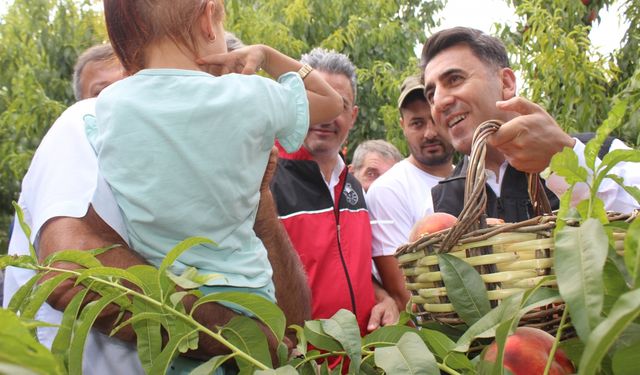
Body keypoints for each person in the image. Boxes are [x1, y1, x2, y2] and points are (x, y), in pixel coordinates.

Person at [88, 0, 340, 319]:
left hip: (165, 307)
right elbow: (332, 103)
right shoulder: (251, 95)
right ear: (209, 19)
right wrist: (266, 54)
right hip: (249, 302)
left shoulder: (111, 104)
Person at [421, 27, 639, 220]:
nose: (439, 102)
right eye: (431, 95)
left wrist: (565, 159)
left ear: (506, 83)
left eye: (455, 79)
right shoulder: (441, 204)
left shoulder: (605, 154)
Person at [269, 48, 399, 338]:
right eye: (314, 101)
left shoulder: (353, 186)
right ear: (293, 105)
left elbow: (353, 270)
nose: (327, 116)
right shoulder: (265, 180)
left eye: (339, 105)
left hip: (361, 361)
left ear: (352, 116)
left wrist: (383, 297)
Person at [366, 74, 455, 310]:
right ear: (402, 125)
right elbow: (403, 293)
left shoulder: (474, 178)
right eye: (417, 123)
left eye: (436, 119)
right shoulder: (388, 190)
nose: (430, 133)